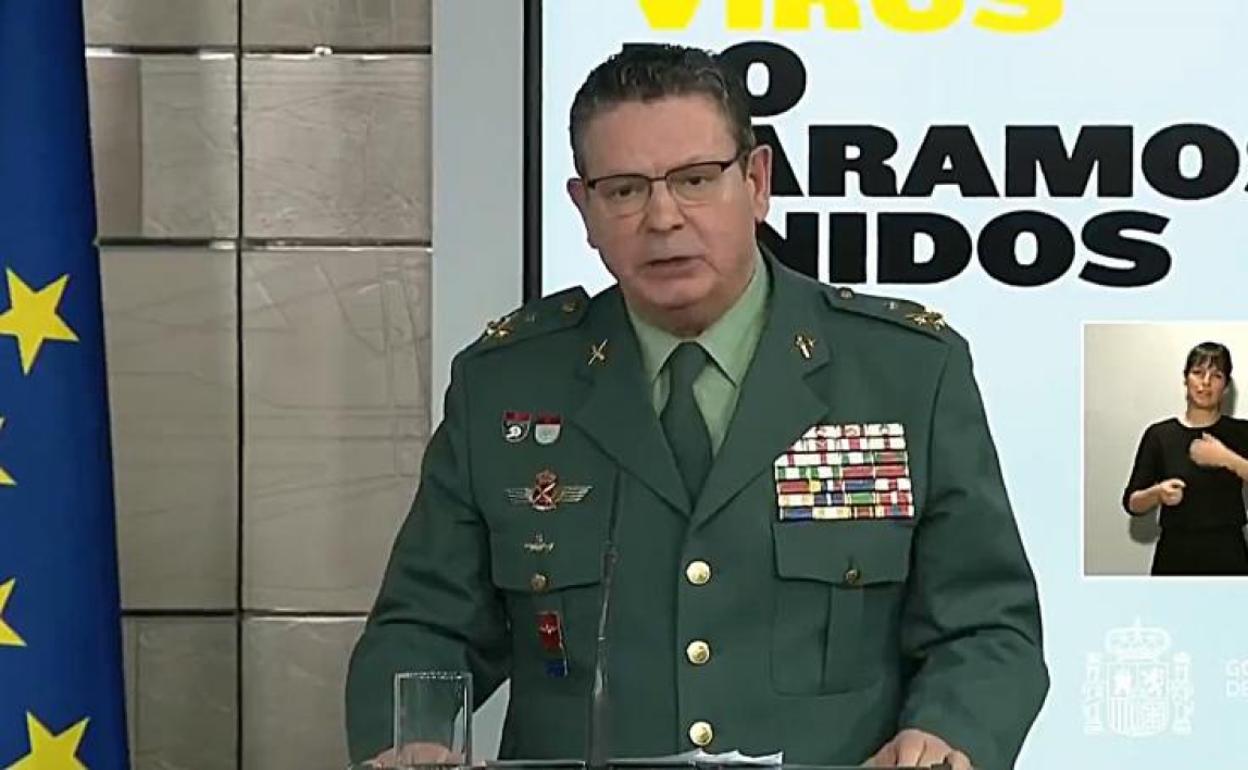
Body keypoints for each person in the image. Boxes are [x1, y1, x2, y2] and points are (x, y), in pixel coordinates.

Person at [346, 44, 1048, 770]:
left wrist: (946, 737)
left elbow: (987, 628)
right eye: (624, 190)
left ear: (757, 181)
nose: (662, 218)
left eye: (695, 179)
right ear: (584, 209)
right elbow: (425, 628)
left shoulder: (905, 373)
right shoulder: (508, 386)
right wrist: (409, 741)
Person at [1123, 342, 1248, 575]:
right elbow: (1132, 503)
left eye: (1216, 375)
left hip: (1228, 552)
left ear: (1226, 386)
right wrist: (1157, 493)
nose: (1206, 382)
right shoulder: (1160, 435)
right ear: (1185, 379)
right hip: (1175, 553)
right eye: (1198, 372)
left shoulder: (1241, 433)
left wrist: (1226, 458)